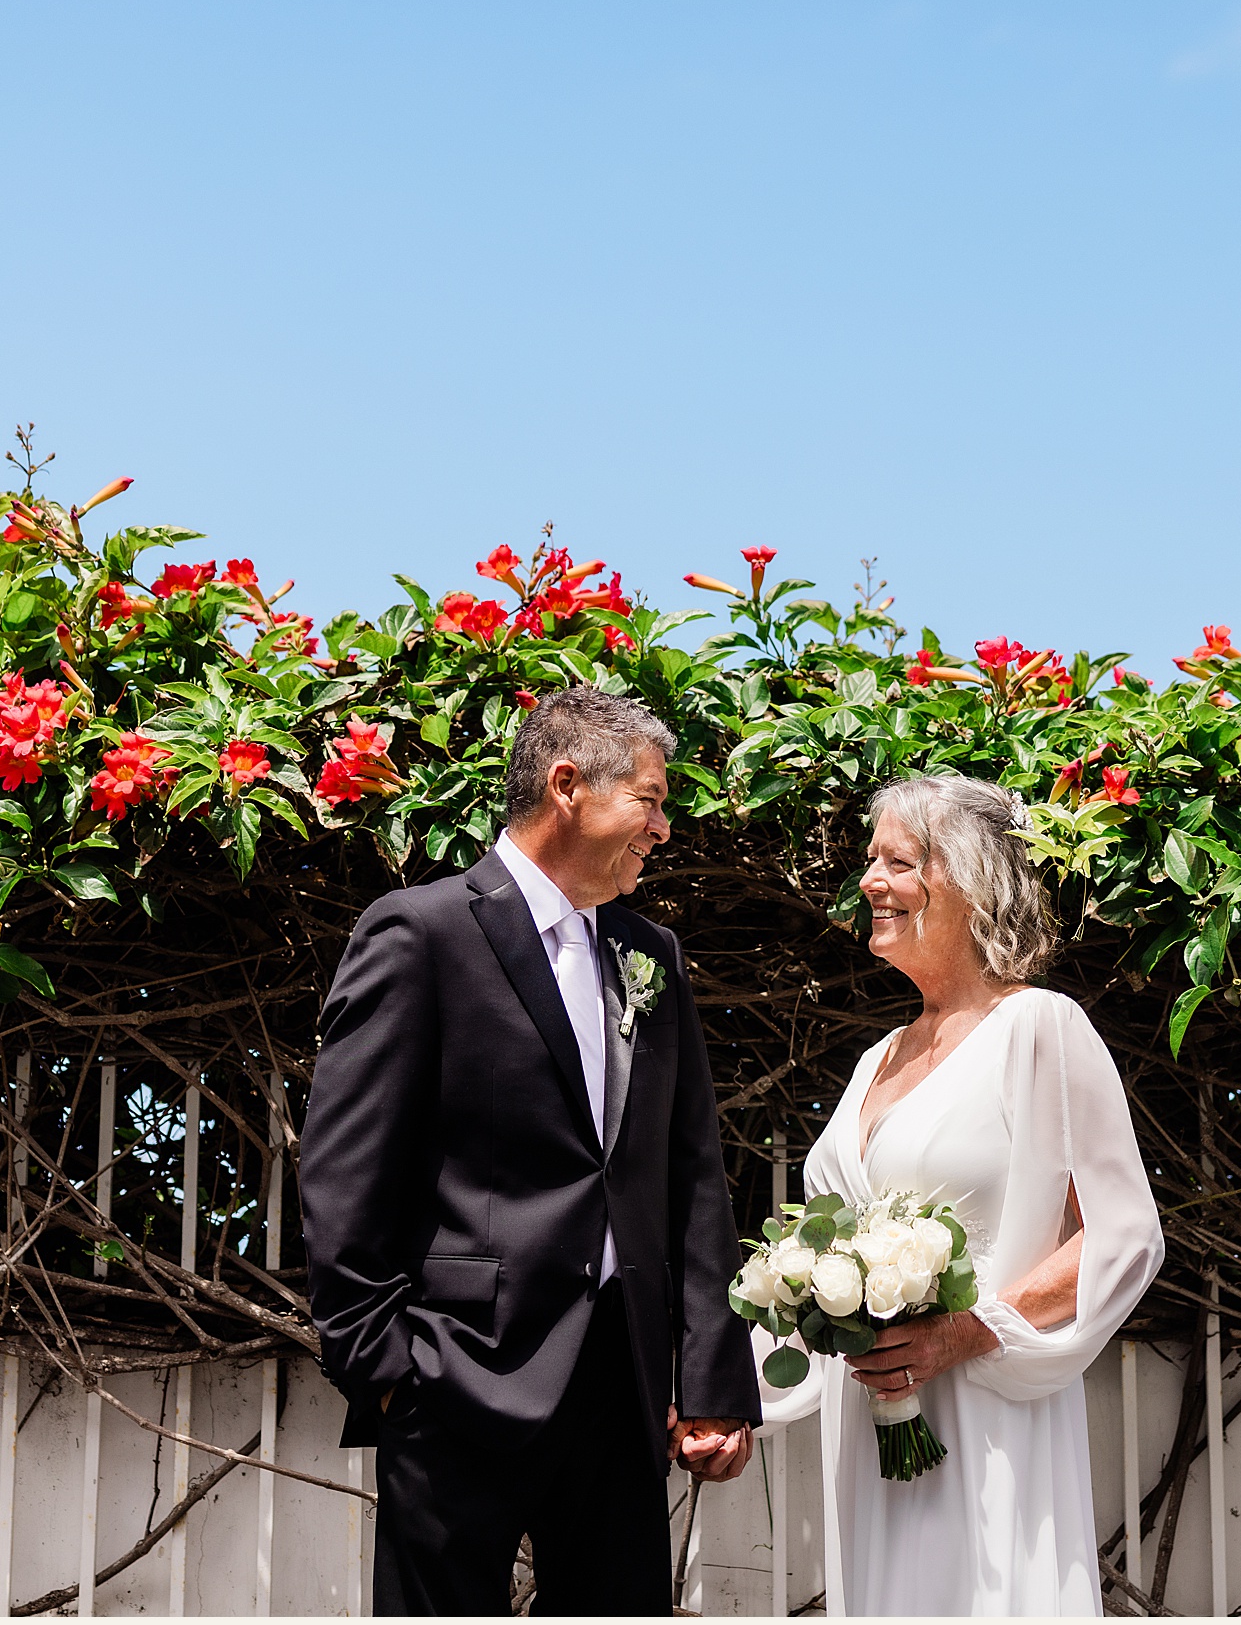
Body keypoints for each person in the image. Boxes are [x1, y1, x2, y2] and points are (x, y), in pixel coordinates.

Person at [299, 686, 759, 1616]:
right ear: (567, 787)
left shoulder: (650, 953)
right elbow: (343, 1170)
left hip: (620, 1394)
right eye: (651, 798)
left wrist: (711, 1379)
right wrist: (388, 1372)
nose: (663, 827)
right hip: (453, 1376)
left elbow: (691, 1173)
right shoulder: (421, 931)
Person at [758, 772, 1166, 1615]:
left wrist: (968, 1330)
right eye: (871, 859)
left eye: (898, 861)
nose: (870, 880)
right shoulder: (876, 1059)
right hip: (869, 1434)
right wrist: (718, 1398)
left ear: (970, 881)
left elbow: (1121, 1234)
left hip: (988, 1422)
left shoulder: (1040, 1028)